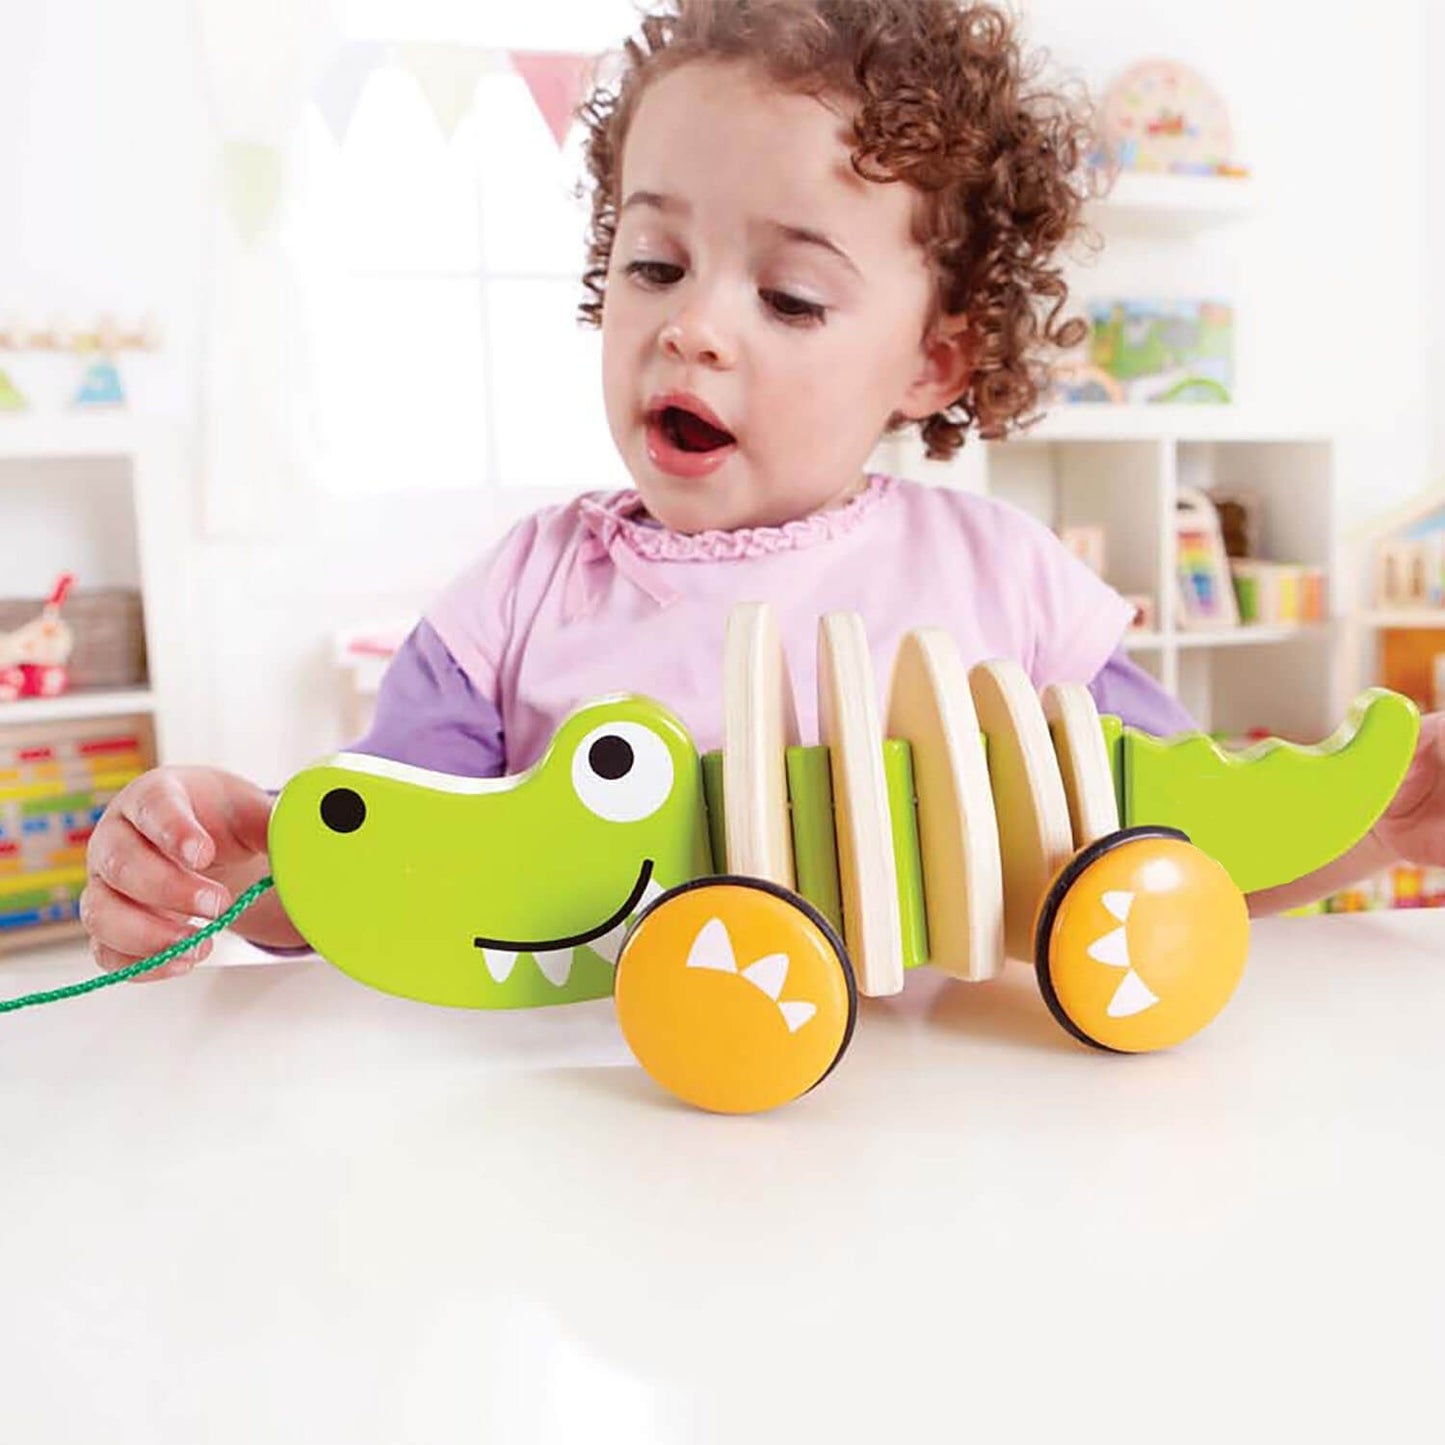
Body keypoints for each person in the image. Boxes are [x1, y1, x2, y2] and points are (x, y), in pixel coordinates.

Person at [79, 0, 1445, 978]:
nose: (691, 326)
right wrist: (233, 872)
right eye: (653, 264)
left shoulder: (1012, 589)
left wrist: (1371, 831)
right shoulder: (510, 607)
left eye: (789, 296)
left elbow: (1180, 860)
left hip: (958, 1160)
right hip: (603, 1154)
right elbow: (381, 874)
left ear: (933, 359)